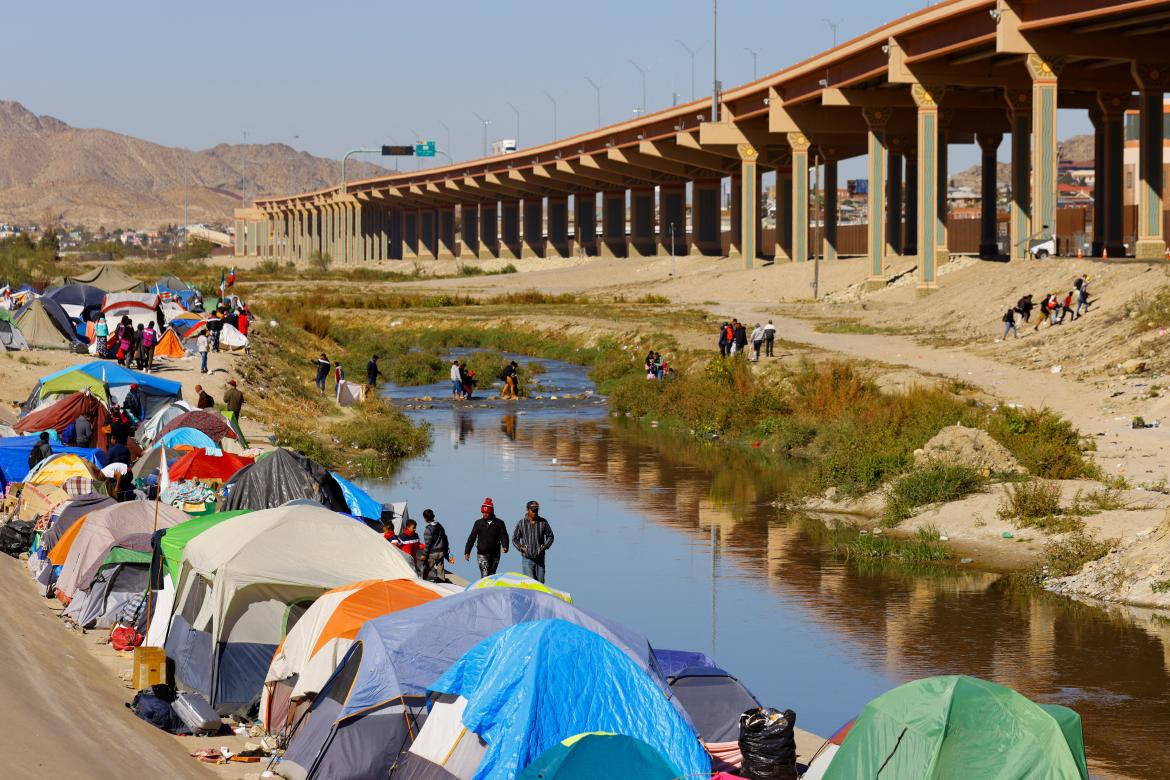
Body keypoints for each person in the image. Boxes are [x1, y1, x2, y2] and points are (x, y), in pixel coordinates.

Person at [464, 497, 509, 577]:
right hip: (482, 553)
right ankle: (484, 589)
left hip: (495, 554)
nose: (484, 514)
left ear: (491, 511)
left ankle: (491, 589)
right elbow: (472, 537)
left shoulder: (499, 523)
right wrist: (467, 551)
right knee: (485, 575)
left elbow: (504, 535)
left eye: (487, 512)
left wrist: (505, 546)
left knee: (492, 575)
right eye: (483, 512)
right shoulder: (478, 523)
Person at [511, 500, 554, 584]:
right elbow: (514, 539)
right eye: (533, 510)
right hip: (527, 559)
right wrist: (520, 547)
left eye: (536, 510)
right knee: (530, 584)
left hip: (540, 558)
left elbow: (550, 536)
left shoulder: (543, 522)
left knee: (540, 583)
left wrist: (544, 546)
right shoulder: (521, 523)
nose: (535, 512)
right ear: (527, 510)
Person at [420, 508, 450, 581]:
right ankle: (442, 582)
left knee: (426, 569)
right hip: (441, 552)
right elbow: (445, 537)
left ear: (425, 518)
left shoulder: (428, 529)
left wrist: (424, 554)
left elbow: (428, 544)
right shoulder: (439, 525)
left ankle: (422, 581)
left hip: (432, 554)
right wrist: (446, 548)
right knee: (441, 570)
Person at [223, 379, 248, 447]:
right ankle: (237, 436)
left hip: (230, 410)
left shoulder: (229, 392)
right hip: (237, 410)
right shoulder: (239, 393)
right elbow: (242, 400)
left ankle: (232, 437)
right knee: (236, 424)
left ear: (231, 385)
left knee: (230, 424)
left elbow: (225, 400)